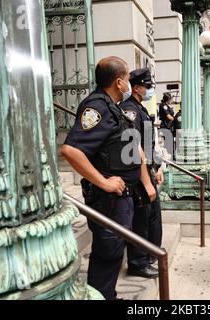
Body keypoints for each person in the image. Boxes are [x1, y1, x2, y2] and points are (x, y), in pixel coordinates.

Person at [61, 57, 156, 300]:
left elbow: (132, 146)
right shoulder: (97, 108)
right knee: (108, 251)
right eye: (126, 78)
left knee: (113, 251)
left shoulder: (113, 107)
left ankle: (106, 295)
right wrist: (104, 182)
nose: (128, 83)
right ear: (119, 81)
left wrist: (143, 181)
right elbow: (71, 151)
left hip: (122, 196)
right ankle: (102, 296)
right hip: (107, 198)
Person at [120, 68, 164, 278]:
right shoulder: (130, 111)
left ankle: (149, 254)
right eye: (147, 87)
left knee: (151, 215)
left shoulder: (141, 109)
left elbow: (148, 145)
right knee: (141, 219)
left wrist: (157, 167)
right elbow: (133, 149)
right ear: (137, 88)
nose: (150, 90)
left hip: (148, 170)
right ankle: (138, 262)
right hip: (138, 175)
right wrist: (146, 176)